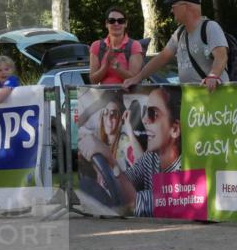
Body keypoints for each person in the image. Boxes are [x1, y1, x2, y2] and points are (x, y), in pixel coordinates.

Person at [77, 86, 182, 217]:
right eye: (145, 112)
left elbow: (135, 203)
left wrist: (110, 160)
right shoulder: (152, 157)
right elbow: (127, 179)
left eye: (153, 114)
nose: (144, 119)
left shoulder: (183, 171)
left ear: (174, 130)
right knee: (87, 185)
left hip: (163, 228)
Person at [123, 0, 227, 92]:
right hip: (192, 97)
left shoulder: (210, 27)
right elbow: (161, 58)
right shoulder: (180, 32)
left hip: (215, 96)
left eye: (173, 7)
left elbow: (221, 57)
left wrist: (213, 75)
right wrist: (137, 78)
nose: (171, 11)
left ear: (185, 7)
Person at [89, 7, 144, 86]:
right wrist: (106, 65)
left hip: (128, 93)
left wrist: (116, 65)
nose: (116, 24)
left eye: (120, 21)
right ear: (106, 24)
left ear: (125, 24)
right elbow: (93, 80)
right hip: (104, 93)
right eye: (112, 21)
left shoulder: (134, 45)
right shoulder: (96, 46)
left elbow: (134, 79)